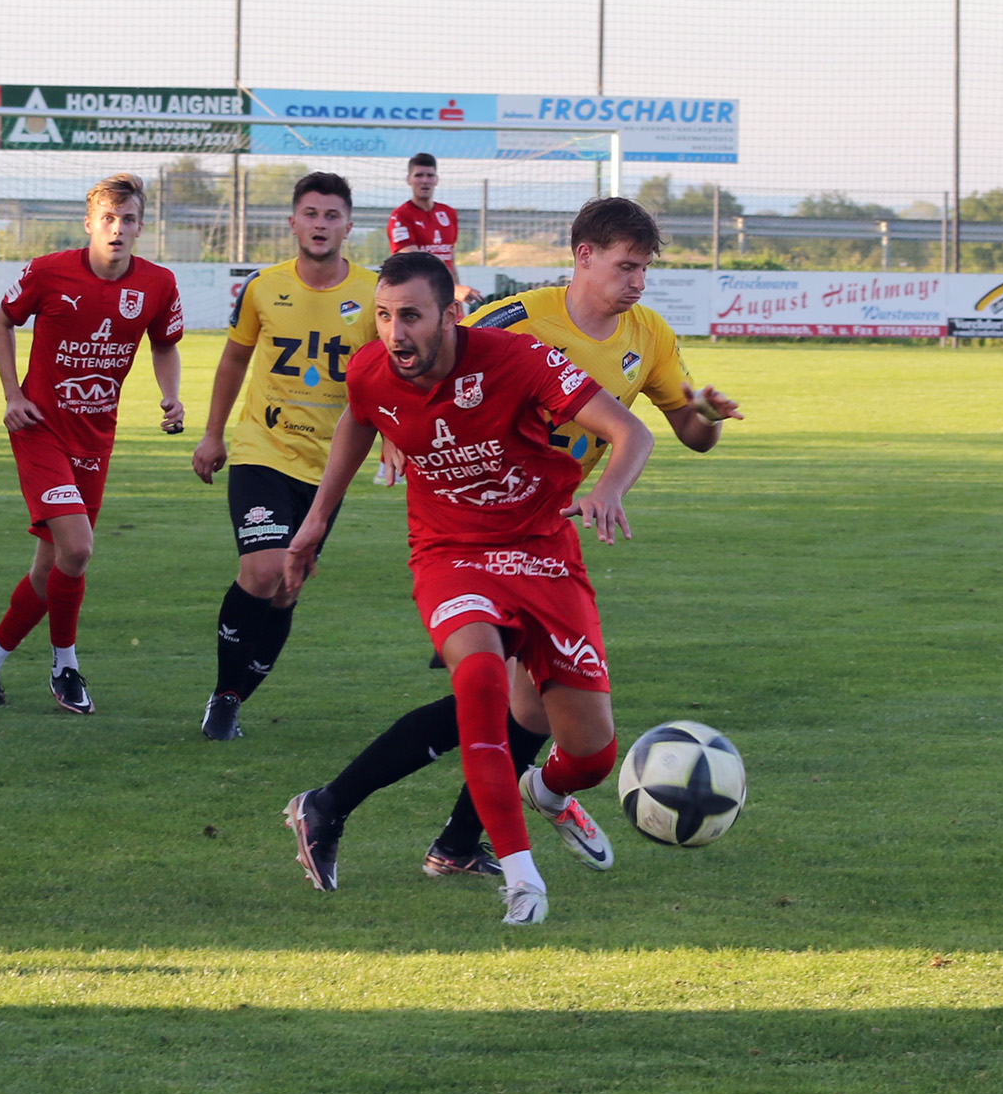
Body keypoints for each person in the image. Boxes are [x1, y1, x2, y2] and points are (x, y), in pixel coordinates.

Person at [296, 197, 743, 882]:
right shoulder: (516, 319)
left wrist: (706, 415)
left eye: (645, 269)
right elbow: (419, 370)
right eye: (627, 266)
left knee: (527, 710)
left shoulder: (648, 333)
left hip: (546, 530)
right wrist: (391, 430)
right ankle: (345, 810)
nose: (638, 282)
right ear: (583, 256)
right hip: (468, 534)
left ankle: (454, 838)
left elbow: (687, 433)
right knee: (494, 699)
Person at [282, 250, 655, 925]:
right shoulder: (374, 369)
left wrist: (608, 489)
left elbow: (629, 431)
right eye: (384, 316)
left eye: (412, 317)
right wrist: (314, 524)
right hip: (450, 554)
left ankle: (546, 793)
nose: (395, 333)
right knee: (479, 676)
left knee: (592, 754)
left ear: (451, 312)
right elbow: (358, 420)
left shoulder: (515, 359)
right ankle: (519, 876)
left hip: (543, 553)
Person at [0, 173, 185, 713]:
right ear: (89, 224)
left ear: (140, 226)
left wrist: (171, 396)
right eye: (108, 220)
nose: (117, 229)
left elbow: (164, 345)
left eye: (128, 219)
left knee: (51, 568)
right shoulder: (48, 272)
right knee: (80, 548)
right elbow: (1, 322)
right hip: (40, 428)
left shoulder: (157, 284)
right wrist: (13, 394)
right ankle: (66, 667)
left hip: (95, 437)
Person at [189, 173, 381, 740]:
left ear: (348, 225)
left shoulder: (375, 294)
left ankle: (237, 693)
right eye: (311, 213)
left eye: (331, 215)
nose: (320, 224)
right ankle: (223, 698)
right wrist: (213, 434)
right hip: (262, 449)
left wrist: (395, 441)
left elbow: (391, 375)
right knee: (264, 568)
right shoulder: (261, 287)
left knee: (288, 586)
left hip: (330, 466)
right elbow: (233, 361)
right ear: (292, 222)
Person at [386, 152, 482, 305]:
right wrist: (454, 289)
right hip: (417, 299)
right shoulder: (400, 215)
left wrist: (455, 299)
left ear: (436, 179)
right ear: (409, 180)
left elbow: (450, 260)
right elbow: (413, 262)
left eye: (430, 175)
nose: (425, 181)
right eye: (419, 175)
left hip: (447, 297)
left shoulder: (449, 213)